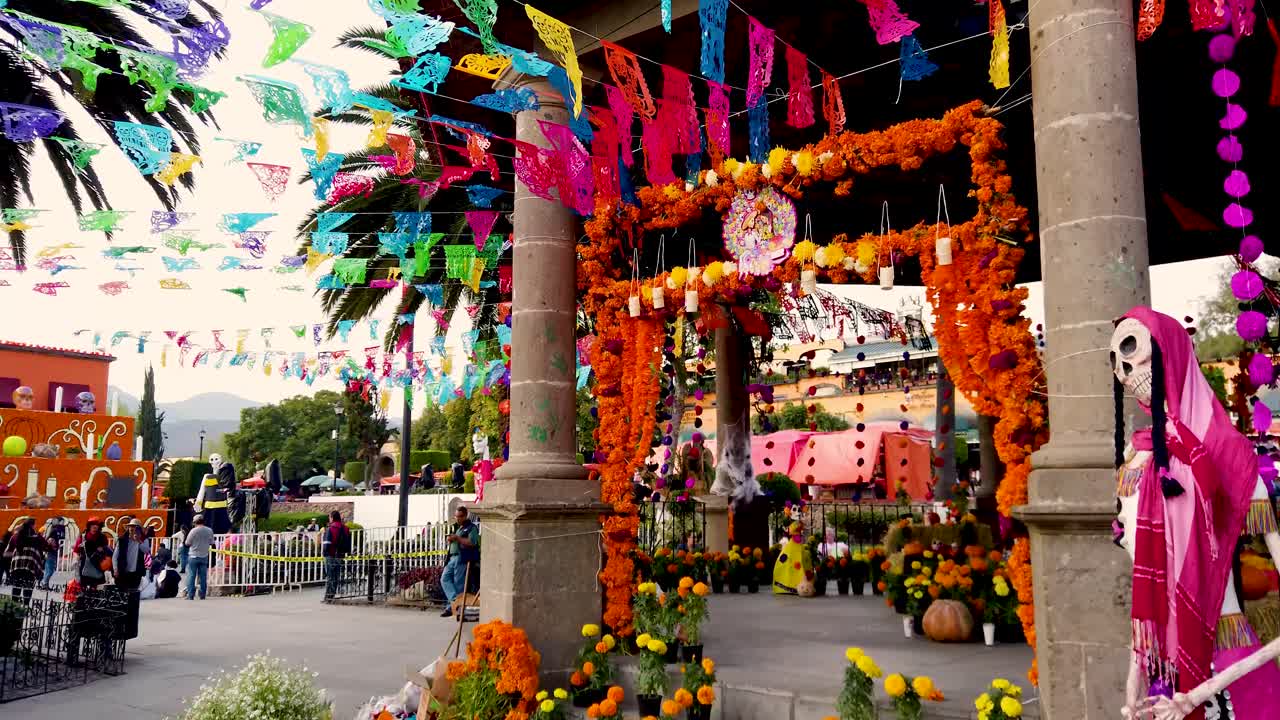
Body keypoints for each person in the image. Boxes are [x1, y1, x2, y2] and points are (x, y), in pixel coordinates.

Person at [440, 505, 480, 617]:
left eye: (460, 516)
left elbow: (472, 542)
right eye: (456, 516)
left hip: (462, 558)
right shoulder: (459, 528)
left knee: (459, 584)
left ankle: (455, 607)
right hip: (452, 557)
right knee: (445, 578)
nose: (458, 519)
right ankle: (454, 602)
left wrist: (457, 538)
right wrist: (451, 539)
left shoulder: (471, 527)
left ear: (465, 515)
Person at [4, 518, 47, 602]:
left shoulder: (15, 536)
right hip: (30, 567)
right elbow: (47, 547)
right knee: (27, 589)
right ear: (33, 525)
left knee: (16, 588)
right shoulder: (37, 537)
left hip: (17, 567)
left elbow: (7, 552)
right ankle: (25, 608)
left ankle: (14, 608)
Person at [321, 510, 351, 603]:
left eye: (329, 517)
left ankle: (328, 597)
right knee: (336, 576)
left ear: (332, 517)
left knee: (330, 576)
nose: (329, 519)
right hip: (340, 555)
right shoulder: (345, 528)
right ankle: (332, 595)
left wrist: (324, 553)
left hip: (330, 554)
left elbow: (326, 544)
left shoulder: (330, 528)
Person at [74, 517, 111, 589]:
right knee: (83, 587)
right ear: (89, 526)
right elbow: (76, 550)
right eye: (92, 526)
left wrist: (103, 549)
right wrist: (76, 559)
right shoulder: (83, 537)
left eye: (97, 526)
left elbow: (107, 550)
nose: (95, 527)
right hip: (84, 566)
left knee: (96, 588)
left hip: (98, 565)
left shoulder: (103, 537)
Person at [184, 514, 214, 600]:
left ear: (195, 522)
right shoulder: (209, 530)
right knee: (203, 577)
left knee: (191, 576)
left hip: (193, 556)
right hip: (204, 556)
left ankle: (190, 595)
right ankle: (202, 595)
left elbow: (187, 543)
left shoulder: (193, 531)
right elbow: (212, 542)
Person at [113, 519, 147, 591]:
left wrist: (138, 540)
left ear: (139, 529)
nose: (132, 528)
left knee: (133, 593)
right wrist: (115, 569)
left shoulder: (143, 540)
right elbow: (115, 556)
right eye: (130, 526)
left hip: (136, 572)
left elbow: (146, 550)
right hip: (123, 571)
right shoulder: (122, 540)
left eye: (134, 527)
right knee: (123, 593)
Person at [41, 517, 66, 587]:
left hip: (51, 552)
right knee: (50, 569)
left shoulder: (54, 530)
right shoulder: (54, 531)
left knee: (48, 569)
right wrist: (54, 546)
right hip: (51, 552)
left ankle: (45, 583)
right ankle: (44, 582)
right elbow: (51, 541)